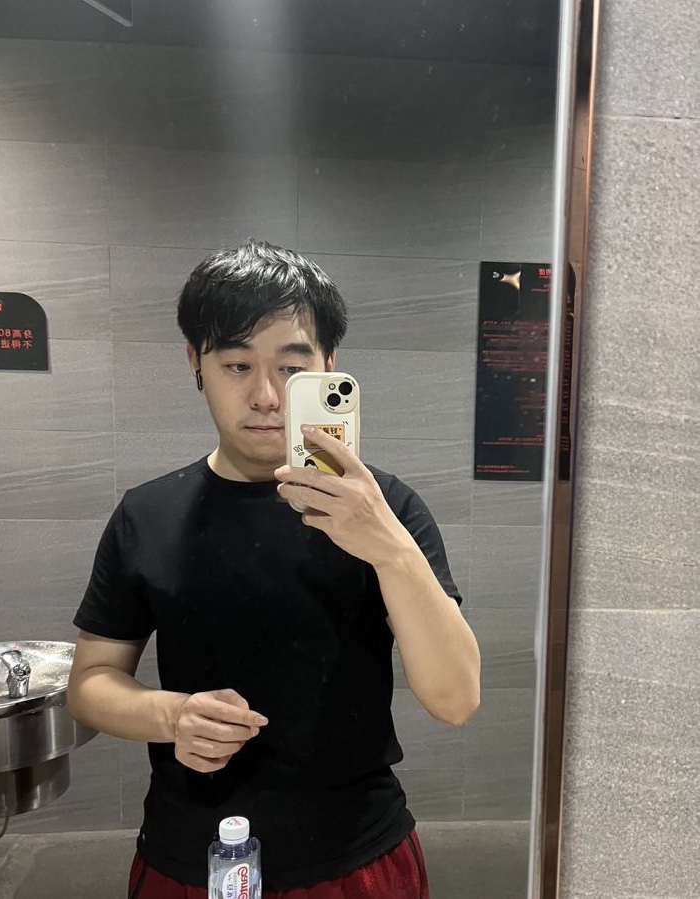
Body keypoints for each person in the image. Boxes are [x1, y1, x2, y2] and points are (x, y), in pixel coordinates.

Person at [67, 239, 481, 899]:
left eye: (292, 368)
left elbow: (455, 699)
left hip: (356, 854)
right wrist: (171, 716)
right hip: (187, 851)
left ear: (329, 367)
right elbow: (90, 683)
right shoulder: (147, 514)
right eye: (236, 364)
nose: (265, 396)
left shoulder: (390, 510)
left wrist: (389, 547)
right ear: (195, 363)